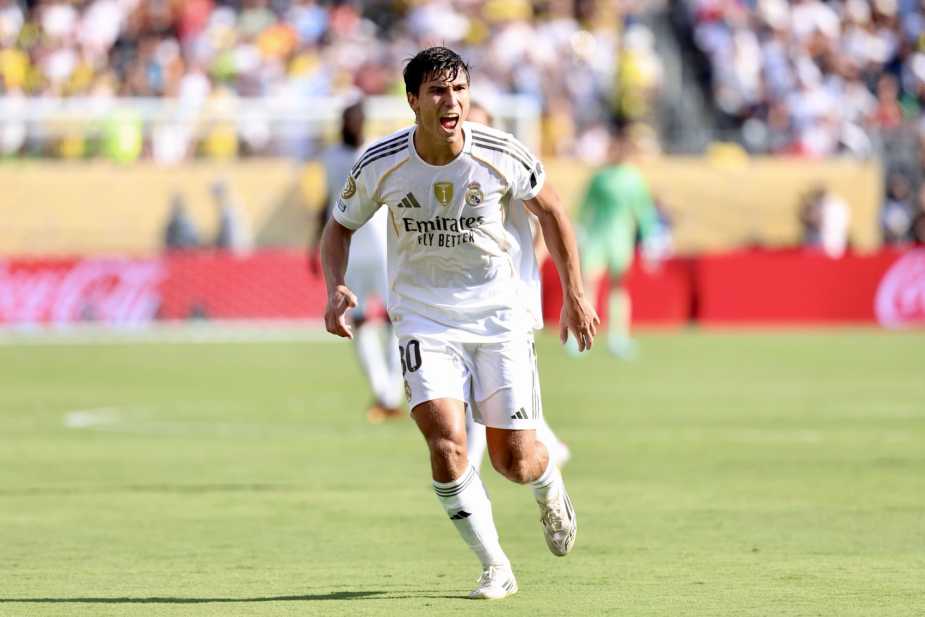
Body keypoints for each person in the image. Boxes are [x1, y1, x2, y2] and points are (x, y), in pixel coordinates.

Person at [320, 47, 598, 600]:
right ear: (413, 101)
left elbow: (553, 212)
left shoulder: (501, 152)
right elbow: (338, 227)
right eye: (438, 91)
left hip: (500, 317)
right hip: (424, 318)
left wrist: (575, 295)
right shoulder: (381, 162)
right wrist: (335, 285)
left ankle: (548, 486)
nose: (452, 102)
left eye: (459, 90)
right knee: (446, 444)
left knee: (514, 461)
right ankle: (495, 566)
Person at [463, 100, 571, 470]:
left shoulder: (503, 166)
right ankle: (550, 446)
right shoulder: (454, 169)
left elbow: (546, 219)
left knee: (489, 388)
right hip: (473, 296)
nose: (471, 130)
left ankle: (470, 466)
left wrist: (531, 265)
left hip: (508, 296)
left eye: (479, 124)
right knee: (497, 391)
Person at [310, 100, 404, 423]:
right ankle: (383, 391)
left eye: (357, 120)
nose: (352, 126)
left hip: (380, 245)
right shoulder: (331, 157)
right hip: (349, 248)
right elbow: (328, 201)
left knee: (394, 316)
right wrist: (316, 244)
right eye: (348, 120)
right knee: (359, 319)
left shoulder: (375, 151)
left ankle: (393, 390)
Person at [574, 119, 659, 359]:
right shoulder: (601, 178)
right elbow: (585, 206)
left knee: (618, 287)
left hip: (619, 238)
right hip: (598, 237)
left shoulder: (633, 178)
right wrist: (579, 229)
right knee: (590, 284)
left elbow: (643, 210)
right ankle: (582, 334)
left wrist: (650, 238)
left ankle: (618, 336)